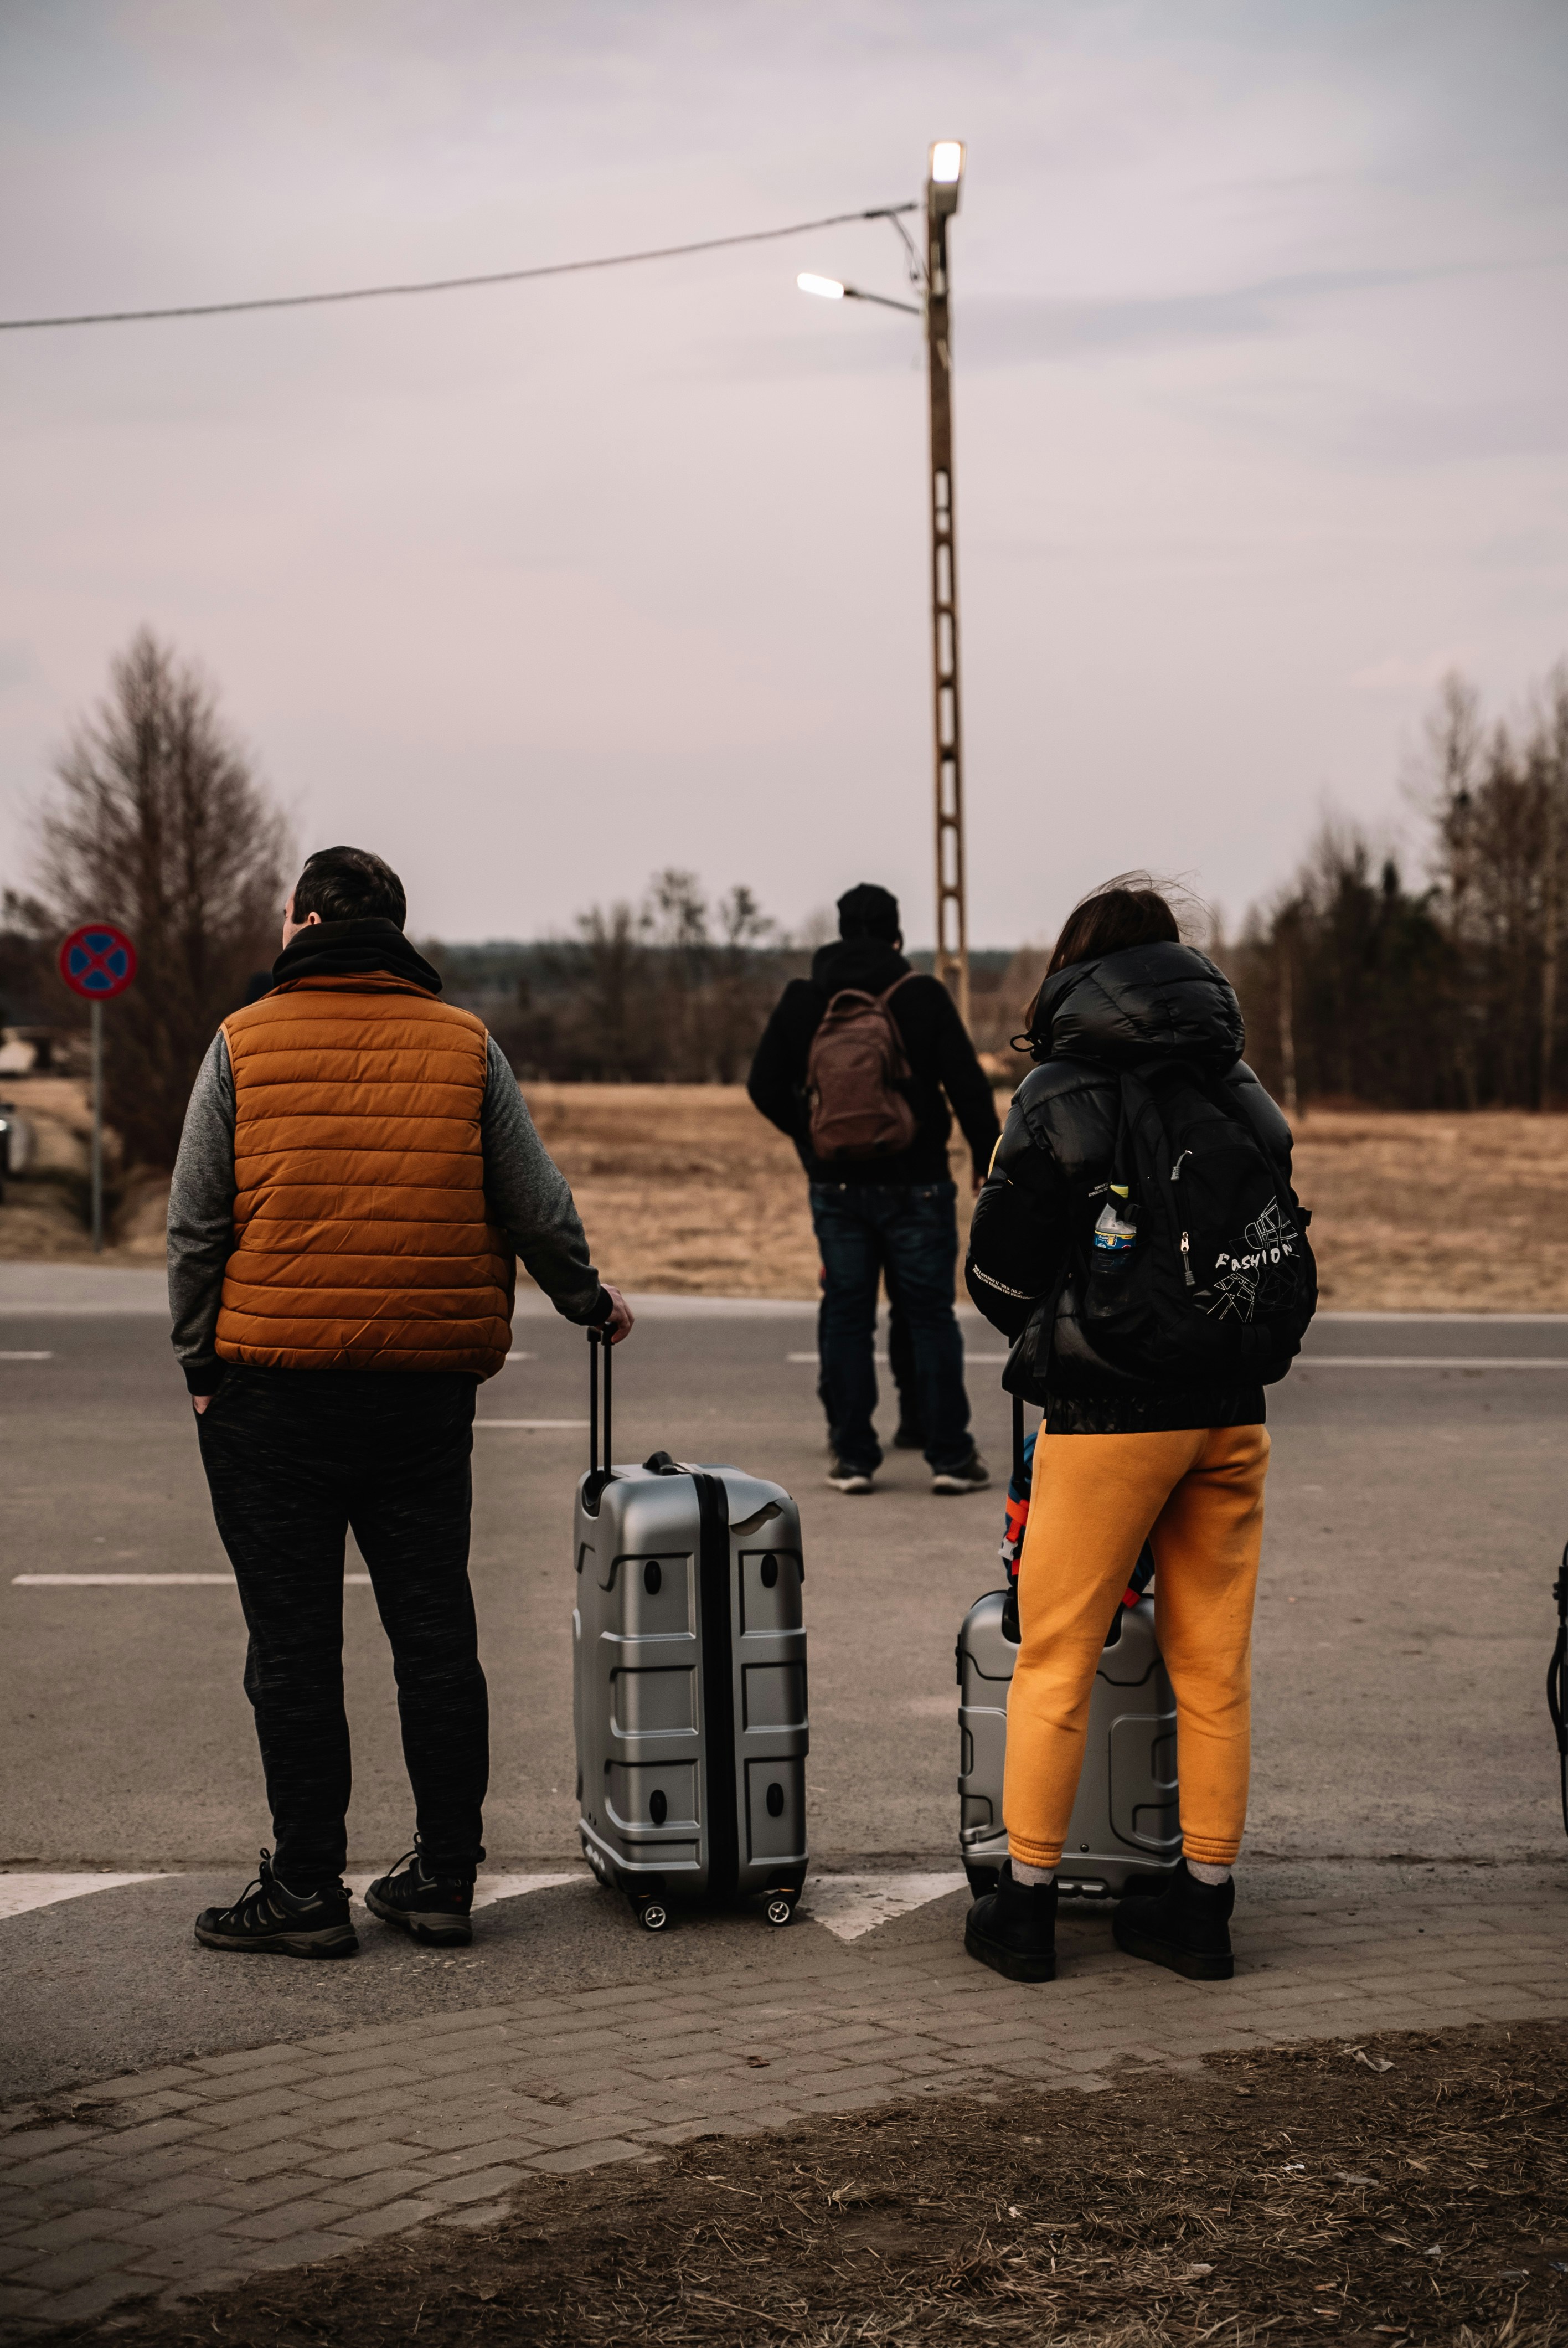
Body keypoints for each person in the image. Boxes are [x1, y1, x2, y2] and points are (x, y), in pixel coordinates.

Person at [167, 845, 632, 1960]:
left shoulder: (242, 1040)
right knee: (432, 1632)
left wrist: (198, 1360)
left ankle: (306, 1887)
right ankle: (441, 1877)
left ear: (309, 919)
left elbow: (196, 1223)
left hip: (270, 1391)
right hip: (422, 1394)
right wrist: (587, 1299)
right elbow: (536, 1205)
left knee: (292, 1643)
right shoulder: (464, 1042)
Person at [962, 879, 1311, 1985]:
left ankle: (1025, 1910)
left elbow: (999, 1273)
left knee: (1056, 1658)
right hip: (1232, 1411)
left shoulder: (1058, 1090)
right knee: (1215, 1668)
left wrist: (1060, 1317)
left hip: (1109, 1416)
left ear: (1080, 971)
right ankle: (1201, 1909)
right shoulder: (1240, 1087)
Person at [748, 882, 999, 1495]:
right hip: (918, 1183)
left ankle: (855, 1457)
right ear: (897, 936)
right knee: (931, 1316)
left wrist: (813, 1138)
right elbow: (968, 1084)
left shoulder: (806, 998)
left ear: (838, 930)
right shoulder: (921, 996)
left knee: (846, 1315)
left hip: (835, 1184)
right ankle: (949, 1456)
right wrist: (986, 1158)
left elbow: (763, 1084)